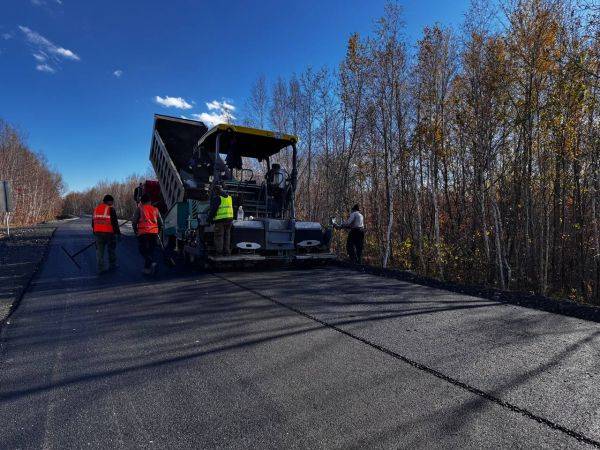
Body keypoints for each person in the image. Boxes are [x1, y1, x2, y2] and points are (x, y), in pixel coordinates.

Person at [132, 194, 163, 274]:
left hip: (143, 233)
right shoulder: (155, 209)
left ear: (141, 202)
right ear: (150, 201)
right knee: (150, 251)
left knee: (143, 250)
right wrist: (158, 231)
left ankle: (152, 263)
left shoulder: (140, 209)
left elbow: (134, 221)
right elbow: (160, 223)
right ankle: (147, 269)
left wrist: (136, 231)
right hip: (153, 234)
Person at [92, 194, 121, 273]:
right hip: (109, 234)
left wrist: (94, 232)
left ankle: (101, 268)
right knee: (111, 249)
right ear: (109, 201)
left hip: (98, 233)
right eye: (112, 201)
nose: (112, 203)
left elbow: (93, 222)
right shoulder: (111, 209)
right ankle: (112, 265)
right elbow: (115, 223)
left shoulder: (96, 209)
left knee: (100, 251)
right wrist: (118, 233)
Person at [207, 184, 234, 256]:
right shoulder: (229, 197)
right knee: (227, 236)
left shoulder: (218, 198)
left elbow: (213, 210)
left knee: (219, 236)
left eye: (214, 191)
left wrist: (209, 219)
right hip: (229, 220)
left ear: (216, 191)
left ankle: (219, 252)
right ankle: (227, 252)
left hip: (220, 221)